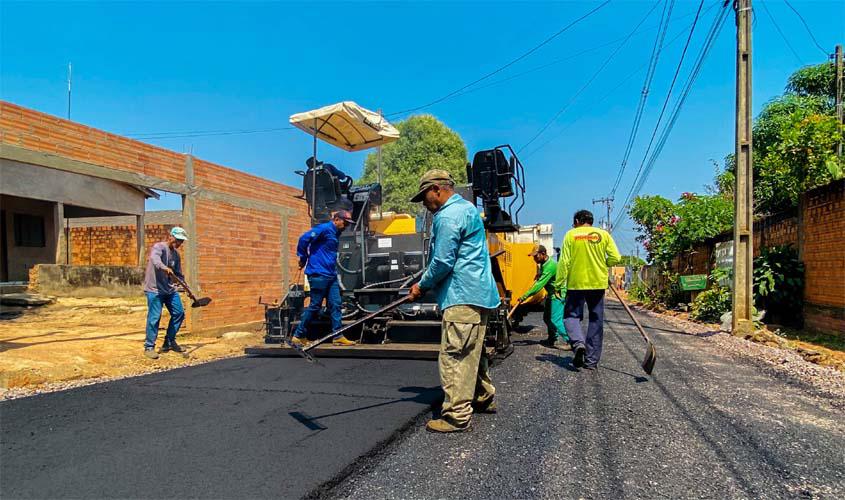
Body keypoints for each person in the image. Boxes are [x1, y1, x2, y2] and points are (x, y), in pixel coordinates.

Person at [407, 169, 500, 433]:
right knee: (473, 351)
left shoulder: (447, 216)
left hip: (462, 295)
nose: (424, 204)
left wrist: (421, 286)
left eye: (424, 197)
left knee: (455, 356)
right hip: (479, 293)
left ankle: (456, 416)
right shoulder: (468, 209)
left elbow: (442, 261)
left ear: (436, 189)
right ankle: (483, 397)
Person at [554, 210, 621, 370]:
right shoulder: (603, 235)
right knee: (596, 320)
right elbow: (615, 258)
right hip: (598, 283)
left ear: (577, 221)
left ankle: (578, 343)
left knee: (571, 316)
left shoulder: (571, 235)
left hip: (576, 284)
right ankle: (591, 362)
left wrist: (559, 283)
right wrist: (603, 264)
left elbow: (564, 262)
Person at [291, 210, 356, 347]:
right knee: (315, 305)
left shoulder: (336, 233)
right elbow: (303, 239)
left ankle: (338, 336)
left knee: (336, 304)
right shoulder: (324, 229)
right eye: (345, 223)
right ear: (336, 219)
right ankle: (298, 335)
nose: (346, 226)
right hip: (318, 274)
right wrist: (303, 257)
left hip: (331, 275)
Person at [143, 226, 189, 359]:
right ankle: (149, 347)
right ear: (171, 237)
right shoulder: (159, 247)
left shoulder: (176, 255)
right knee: (154, 317)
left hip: (169, 289)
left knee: (179, 313)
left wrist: (185, 286)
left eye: (181, 241)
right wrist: (165, 268)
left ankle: (169, 342)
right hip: (155, 290)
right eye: (178, 240)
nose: (179, 243)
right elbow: (155, 260)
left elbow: (178, 274)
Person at [517, 244, 570, 349]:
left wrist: (525, 296)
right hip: (551, 294)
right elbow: (543, 276)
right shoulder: (544, 264)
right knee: (547, 318)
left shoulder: (550, 266)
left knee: (556, 320)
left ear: (543, 254)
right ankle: (552, 339)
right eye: (533, 256)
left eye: (536, 256)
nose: (534, 259)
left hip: (558, 294)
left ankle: (572, 342)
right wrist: (539, 274)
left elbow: (539, 285)